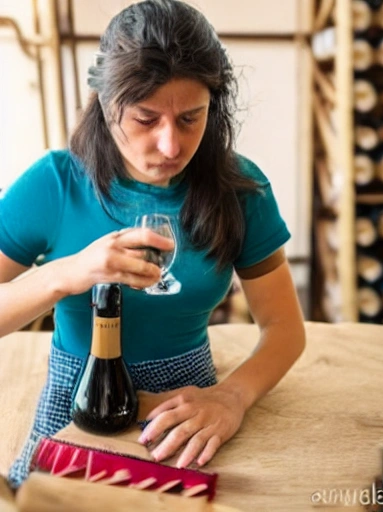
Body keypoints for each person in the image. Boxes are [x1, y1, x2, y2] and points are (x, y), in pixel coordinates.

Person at [0, 0, 305, 487]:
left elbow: (285, 328)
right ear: (106, 102)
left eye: (191, 118)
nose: (171, 146)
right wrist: (64, 275)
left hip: (188, 405)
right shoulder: (54, 184)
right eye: (146, 119)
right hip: (77, 397)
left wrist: (232, 397)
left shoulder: (240, 190)